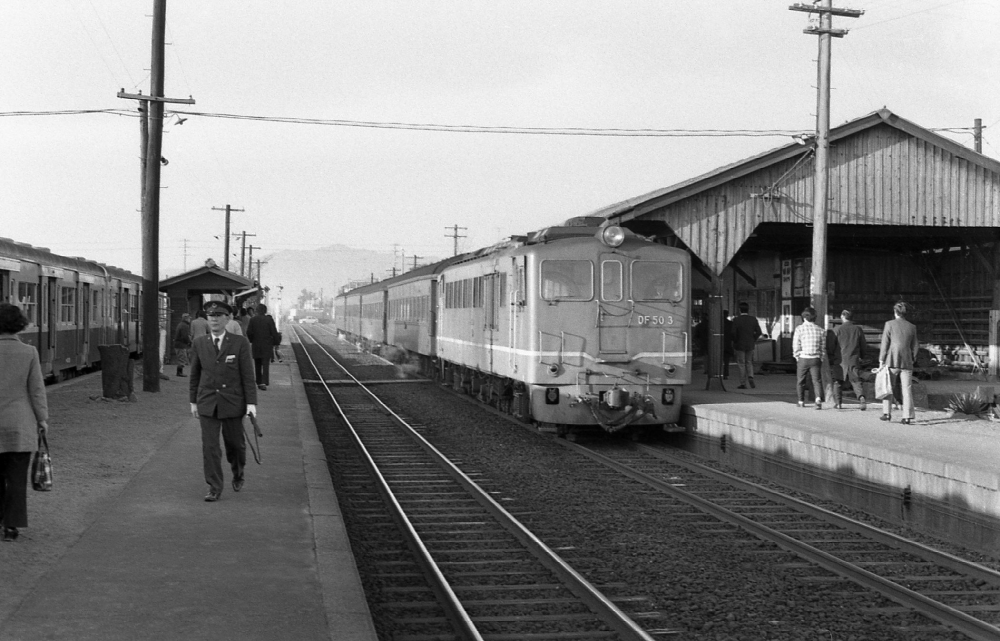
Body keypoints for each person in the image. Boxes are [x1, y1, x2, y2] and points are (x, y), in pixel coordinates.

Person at [189, 300, 257, 502]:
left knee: (235, 445)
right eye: (211, 316)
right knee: (210, 447)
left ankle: (238, 472)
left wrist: (251, 404)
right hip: (207, 402)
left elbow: (248, 375)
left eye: (218, 316)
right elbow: (195, 375)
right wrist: (193, 402)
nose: (214, 320)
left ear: (227, 319)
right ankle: (214, 486)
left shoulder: (239, 343)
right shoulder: (199, 343)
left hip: (233, 402)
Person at [0, 303, 49, 542]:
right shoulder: (29, 352)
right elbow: (36, 390)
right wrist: (42, 419)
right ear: (19, 325)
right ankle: (11, 527)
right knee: (16, 480)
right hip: (20, 426)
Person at [878, 301, 919, 424]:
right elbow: (916, 346)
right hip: (907, 361)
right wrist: (913, 358)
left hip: (892, 360)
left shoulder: (889, 324)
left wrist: (881, 360)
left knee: (888, 386)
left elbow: (885, 343)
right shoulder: (912, 327)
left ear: (895, 312)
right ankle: (907, 416)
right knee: (907, 389)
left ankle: (887, 413)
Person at [833, 309, 868, 411]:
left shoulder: (837, 329)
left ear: (842, 316)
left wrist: (832, 357)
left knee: (838, 381)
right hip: (853, 359)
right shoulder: (858, 329)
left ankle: (838, 403)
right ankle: (861, 398)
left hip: (840, 359)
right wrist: (862, 356)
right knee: (856, 380)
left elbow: (831, 346)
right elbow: (863, 345)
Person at [792, 306, 825, 410]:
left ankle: (801, 401)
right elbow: (823, 347)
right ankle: (818, 399)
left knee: (800, 380)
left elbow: (796, 345)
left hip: (803, 357)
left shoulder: (799, 329)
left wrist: (796, 356)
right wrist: (821, 357)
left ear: (804, 317)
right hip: (816, 358)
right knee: (817, 380)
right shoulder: (820, 330)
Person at [246, 303, 281, 391]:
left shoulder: (252, 320)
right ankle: (264, 382)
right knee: (265, 364)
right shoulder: (269, 320)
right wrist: (276, 342)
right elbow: (274, 332)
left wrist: (252, 340)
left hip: (256, 345)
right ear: (265, 311)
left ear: (257, 311)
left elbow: (249, 332)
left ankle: (258, 381)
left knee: (257, 364)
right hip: (267, 345)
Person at [730, 302, 762, 389]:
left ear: (739, 310)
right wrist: (753, 339)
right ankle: (750, 376)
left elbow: (733, 332)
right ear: (748, 310)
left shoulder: (736, 320)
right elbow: (759, 332)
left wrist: (735, 341)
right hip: (750, 344)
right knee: (749, 362)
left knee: (741, 363)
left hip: (740, 344)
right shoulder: (753, 319)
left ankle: (743, 383)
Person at [825, 327, 843, 408]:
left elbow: (830, 347)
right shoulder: (835, 333)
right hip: (837, 359)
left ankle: (837, 402)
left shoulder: (832, 334)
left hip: (833, 359)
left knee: (836, 381)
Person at [172, 313, 192, 377]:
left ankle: (179, 372)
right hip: (181, 345)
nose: (190, 319)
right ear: (186, 318)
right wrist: (189, 342)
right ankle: (179, 372)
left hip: (178, 344)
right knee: (182, 358)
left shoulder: (181, 324)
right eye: (189, 318)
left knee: (182, 358)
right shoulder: (184, 326)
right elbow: (185, 336)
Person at [722, 310, 734, 380]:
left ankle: (718, 373)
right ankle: (725, 374)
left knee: (718, 360)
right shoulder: (730, 324)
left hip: (719, 343)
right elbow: (733, 334)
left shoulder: (718, 323)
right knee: (726, 361)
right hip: (728, 343)